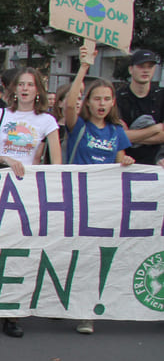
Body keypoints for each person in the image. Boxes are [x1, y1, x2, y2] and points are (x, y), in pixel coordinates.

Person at [0, 67, 61, 338]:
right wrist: (7, 159)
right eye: (20, 84)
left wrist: (35, 165)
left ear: (39, 90)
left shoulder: (47, 121)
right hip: (0, 188)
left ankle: (11, 311)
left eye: (30, 85)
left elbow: (56, 164)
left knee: (19, 248)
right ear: (13, 89)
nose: (25, 89)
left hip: (30, 192)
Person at [64, 49, 133, 335]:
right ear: (88, 103)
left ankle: (86, 312)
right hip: (77, 201)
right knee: (73, 255)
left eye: (107, 99)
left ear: (112, 103)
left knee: (96, 258)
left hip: (105, 204)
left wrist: (126, 161)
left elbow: (121, 160)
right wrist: (83, 67)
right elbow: (69, 107)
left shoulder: (117, 131)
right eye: (97, 99)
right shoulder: (78, 126)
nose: (102, 104)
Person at [115, 49, 164, 165]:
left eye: (150, 67)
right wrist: (155, 129)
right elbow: (116, 136)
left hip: (156, 164)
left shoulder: (161, 95)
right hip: (125, 163)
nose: (146, 70)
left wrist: (131, 136)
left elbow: (123, 137)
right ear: (131, 69)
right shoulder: (118, 97)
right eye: (141, 66)